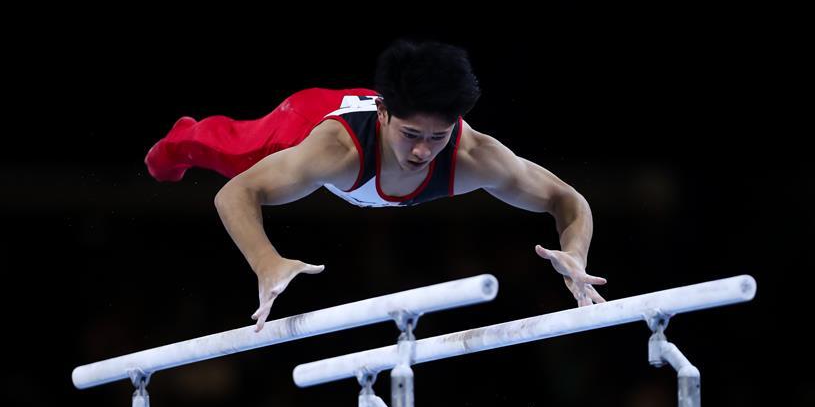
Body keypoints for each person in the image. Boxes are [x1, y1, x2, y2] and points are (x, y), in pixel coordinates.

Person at [145, 39, 607, 332]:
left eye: (436, 137)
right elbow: (234, 195)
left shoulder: (473, 156)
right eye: (411, 135)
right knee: (223, 151)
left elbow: (565, 198)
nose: (424, 152)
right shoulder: (334, 150)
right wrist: (267, 262)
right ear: (384, 114)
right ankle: (177, 142)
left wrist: (577, 251)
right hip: (306, 121)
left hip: (360, 149)